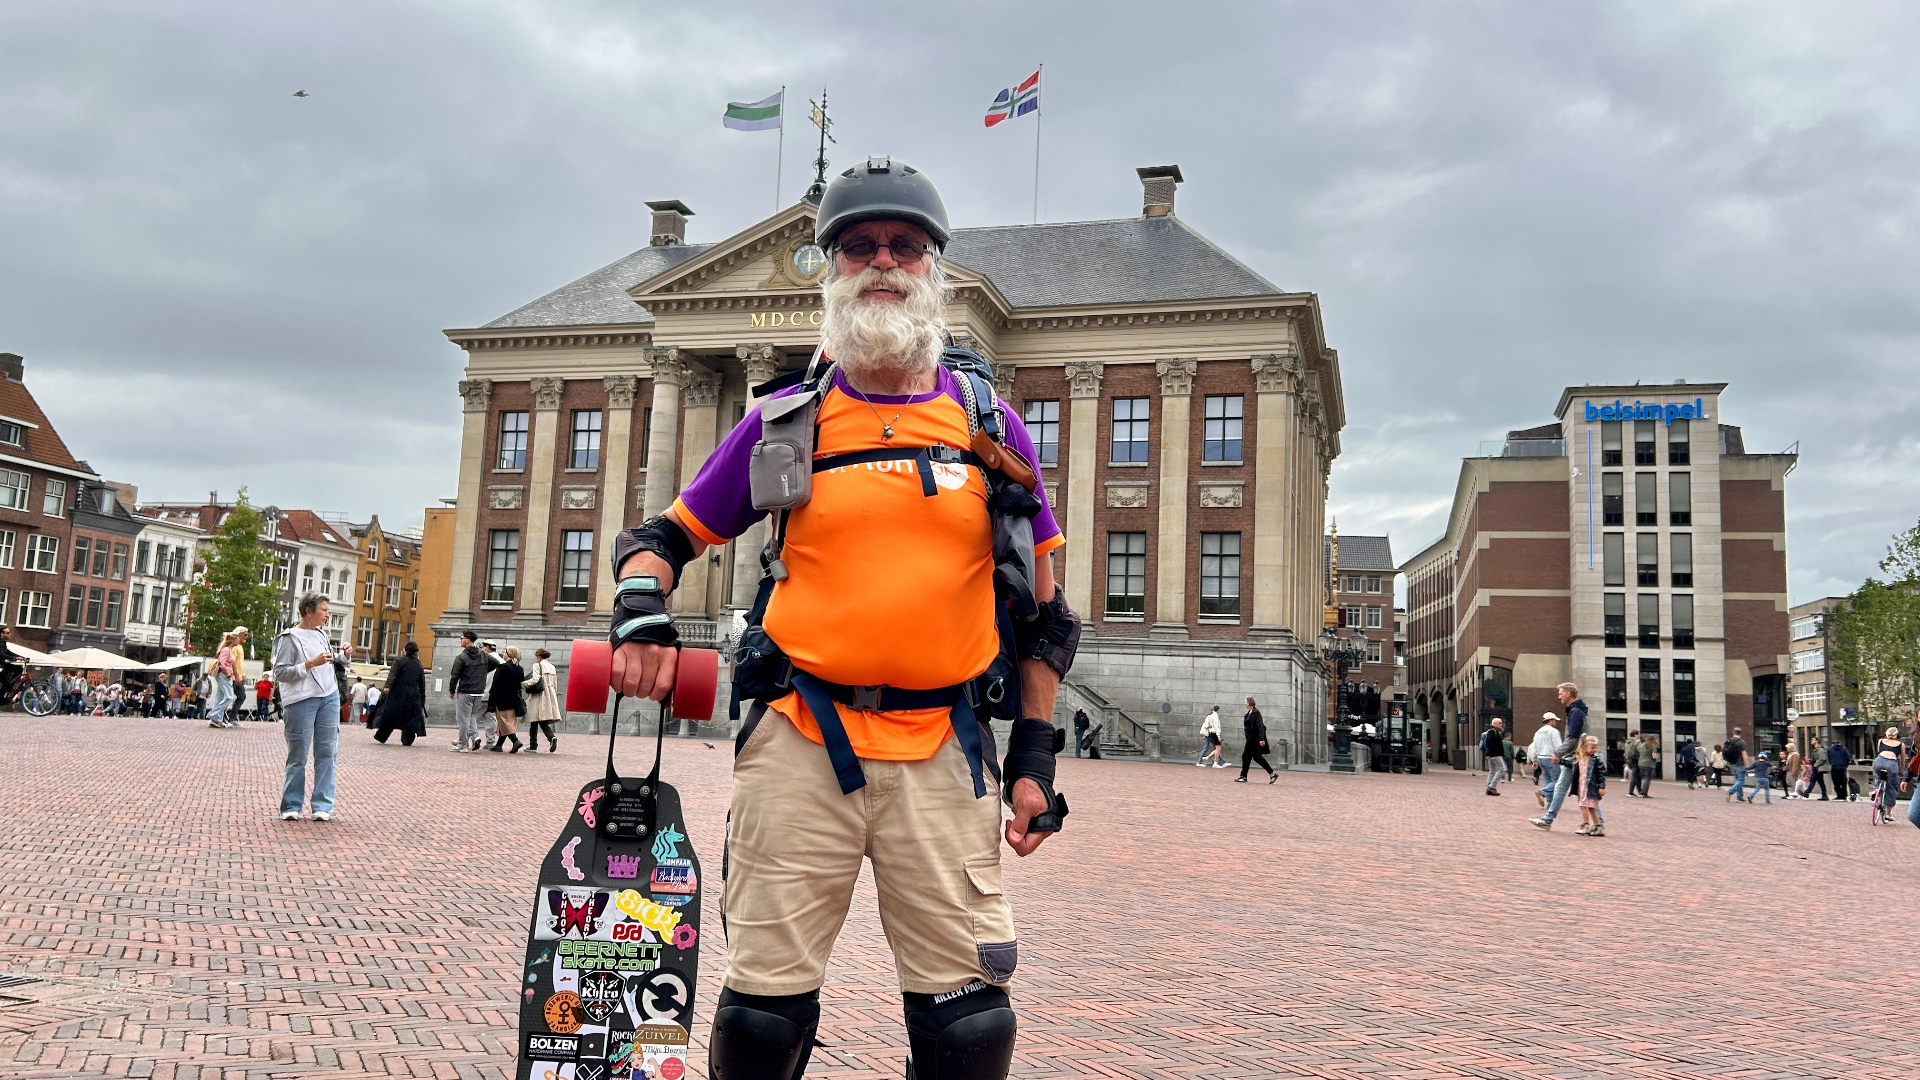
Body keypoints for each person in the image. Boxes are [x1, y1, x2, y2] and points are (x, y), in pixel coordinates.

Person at [602, 158, 1078, 1080]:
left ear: (935, 269)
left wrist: (1034, 758)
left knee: (970, 1027)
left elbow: (1046, 618)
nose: (883, 263)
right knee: (762, 1019)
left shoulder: (989, 424)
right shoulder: (790, 418)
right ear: (830, 272)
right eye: (858, 247)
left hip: (946, 747)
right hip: (799, 739)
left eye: (905, 246)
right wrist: (640, 610)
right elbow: (662, 534)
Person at [272, 592, 341, 822]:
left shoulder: (322, 634)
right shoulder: (290, 638)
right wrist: (309, 664)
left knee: (327, 752)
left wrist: (343, 656)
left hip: (328, 696)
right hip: (302, 700)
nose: (327, 615)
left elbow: (329, 662)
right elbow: (280, 672)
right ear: (308, 611)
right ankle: (291, 805)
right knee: (298, 754)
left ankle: (322, 805)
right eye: (323, 610)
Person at [1531, 683, 1592, 831]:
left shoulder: (1575, 712)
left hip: (1575, 757)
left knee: (1582, 792)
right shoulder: (1576, 711)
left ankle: (1597, 824)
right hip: (1574, 756)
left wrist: (1558, 753)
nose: (1559, 696)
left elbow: (1572, 738)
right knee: (1566, 789)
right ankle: (1548, 819)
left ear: (1569, 694)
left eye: (1561, 693)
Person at [373, 641, 428, 746]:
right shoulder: (419, 665)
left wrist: (387, 686)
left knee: (391, 715)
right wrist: (422, 697)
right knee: (410, 717)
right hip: (413, 694)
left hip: (398, 693)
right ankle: (407, 739)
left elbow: (392, 675)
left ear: (404, 650)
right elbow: (422, 683)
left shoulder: (399, 661)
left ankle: (381, 736)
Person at [447, 631, 492, 753]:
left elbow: (454, 676)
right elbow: (496, 663)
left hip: (465, 691)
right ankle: (475, 736)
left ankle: (462, 744)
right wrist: (482, 672)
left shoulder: (461, 657)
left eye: (462, 638)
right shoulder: (483, 654)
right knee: (471, 716)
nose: (460, 640)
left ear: (467, 640)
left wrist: (452, 690)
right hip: (479, 691)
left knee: (463, 719)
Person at [487, 644, 525, 753]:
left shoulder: (503, 667)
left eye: (505, 652)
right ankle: (499, 745)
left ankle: (515, 741)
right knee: (506, 721)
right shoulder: (520, 668)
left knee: (504, 722)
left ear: (508, 654)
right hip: (514, 699)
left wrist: (491, 696)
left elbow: (496, 684)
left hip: (502, 698)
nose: (503, 654)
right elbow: (520, 684)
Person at [522, 647, 560, 752]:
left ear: (538, 656)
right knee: (540, 719)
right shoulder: (552, 667)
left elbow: (535, 679)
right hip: (550, 694)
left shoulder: (537, 665)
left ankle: (534, 745)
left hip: (539, 694)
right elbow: (555, 683)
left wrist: (523, 684)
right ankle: (550, 738)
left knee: (534, 718)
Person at [1870, 726, 1906, 824]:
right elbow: (1902, 759)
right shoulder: (1900, 744)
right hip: (1891, 764)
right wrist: (1902, 771)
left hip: (1878, 762)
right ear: (1896, 734)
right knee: (1892, 787)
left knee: (1879, 775)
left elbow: (1879, 752)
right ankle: (1888, 814)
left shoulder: (1880, 741)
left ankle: (1876, 790)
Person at [1574, 733, 1606, 836]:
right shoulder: (1579, 758)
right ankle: (1597, 826)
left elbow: (1602, 773)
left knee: (1586, 806)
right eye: (1592, 747)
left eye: (1595, 747)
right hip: (1582, 786)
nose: (1594, 749)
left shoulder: (1596, 760)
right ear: (1584, 747)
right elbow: (1570, 764)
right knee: (1588, 806)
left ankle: (1586, 825)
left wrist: (1601, 786)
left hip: (1590, 787)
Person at [1238, 697, 1276, 783]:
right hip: (1250, 739)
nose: (1244, 703)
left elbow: (1260, 726)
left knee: (1246, 756)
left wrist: (1262, 739)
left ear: (1248, 703)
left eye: (1245, 702)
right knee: (1257, 758)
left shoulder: (1256, 713)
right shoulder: (1249, 713)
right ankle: (1272, 774)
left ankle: (1243, 776)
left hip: (1254, 740)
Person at [1529, 713, 1562, 807]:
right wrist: (1560, 756)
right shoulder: (1553, 731)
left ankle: (1549, 803)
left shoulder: (1538, 732)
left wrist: (1534, 760)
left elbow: (1534, 747)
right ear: (1550, 720)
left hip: (1540, 758)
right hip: (1551, 758)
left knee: (1548, 780)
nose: (1555, 722)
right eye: (1554, 720)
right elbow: (1558, 746)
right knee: (1557, 780)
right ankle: (1542, 792)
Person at [1481, 717, 1508, 795]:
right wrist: (1492, 754)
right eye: (1500, 723)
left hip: (1491, 754)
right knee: (1502, 769)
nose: (1501, 724)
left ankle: (1488, 788)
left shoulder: (1494, 732)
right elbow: (1489, 744)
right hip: (1495, 755)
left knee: (1492, 771)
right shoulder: (1492, 732)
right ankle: (1492, 786)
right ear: (1494, 724)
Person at [1724, 727, 1752, 803]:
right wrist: (1747, 764)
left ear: (1733, 732)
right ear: (1740, 733)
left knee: (1738, 780)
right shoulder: (1741, 742)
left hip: (1731, 763)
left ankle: (1739, 797)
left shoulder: (1729, 741)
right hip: (1740, 763)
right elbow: (1744, 754)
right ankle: (1730, 791)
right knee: (1741, 780)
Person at [0, 625, 22, 704]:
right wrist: (15, 658)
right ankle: (1, 699)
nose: (10, 634)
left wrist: (19, 657)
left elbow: (8, 652)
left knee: (19, 669)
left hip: (2, 665)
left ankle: (10, 686)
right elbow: (1, 654)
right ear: (2, 634)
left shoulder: (3, 643)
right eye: (8, 633)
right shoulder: (0, 642)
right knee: (5, 683)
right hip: (1, 666)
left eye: (10, 633)